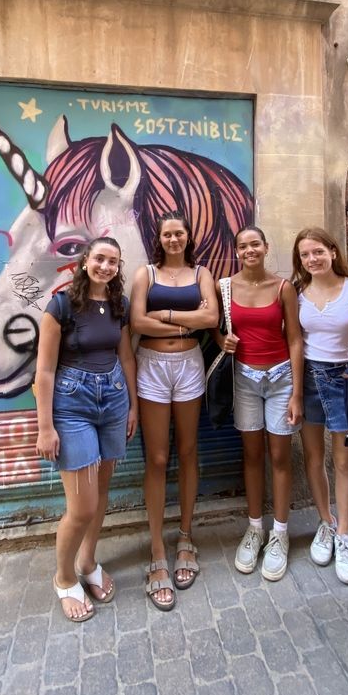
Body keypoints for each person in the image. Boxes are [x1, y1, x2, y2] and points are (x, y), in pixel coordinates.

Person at [35, 237, 138, 623]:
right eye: (99, 259)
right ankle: (64, 579)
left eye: (113, 261)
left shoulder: (119, 305)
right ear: (85, 261)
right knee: (82, 507)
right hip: (71, 407)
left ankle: (88, 561)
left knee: (101, 494)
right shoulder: (62, 305)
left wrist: (133, 406)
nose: (106, 267)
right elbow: (44, 370)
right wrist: (45, 426)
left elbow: (126, 356)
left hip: (113, 402)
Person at [130, 211, 219, 611]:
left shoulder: (203, 273)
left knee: (187, 452)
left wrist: (162, 316)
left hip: (188, 367)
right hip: (150, 367)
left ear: (188, 236)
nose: (173, 239)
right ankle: (156, 550)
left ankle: (185, 537)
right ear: (159, 238)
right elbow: (136, 323)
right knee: (158, 458)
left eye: (179, 232)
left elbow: (212, 318)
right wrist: (186, 323)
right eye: (167, 233)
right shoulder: (144, 275)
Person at [213, 225, 303, 581]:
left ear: (266, 247)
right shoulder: (224, 287)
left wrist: (297, 391)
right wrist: (222, 339)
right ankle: (255, 528)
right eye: (242, 246)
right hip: (244, 380)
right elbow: (212, 329)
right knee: (251, 455)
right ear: (236, 251)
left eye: (255, 244)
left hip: (281, 378)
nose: (249, 250)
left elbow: (295, 339)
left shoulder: (284, 288)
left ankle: (279, 533)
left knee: (280, 456)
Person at [292, 227, 348, 584]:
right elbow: (295, 342)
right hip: (310, 378)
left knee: (344, 462)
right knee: (313, 457)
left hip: (344, 379)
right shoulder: (297, 293)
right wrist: (295, 392)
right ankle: (324, 522)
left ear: (332, 251)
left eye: (317, 252)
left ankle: (344, 533)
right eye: (305, 255)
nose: (312, 259)